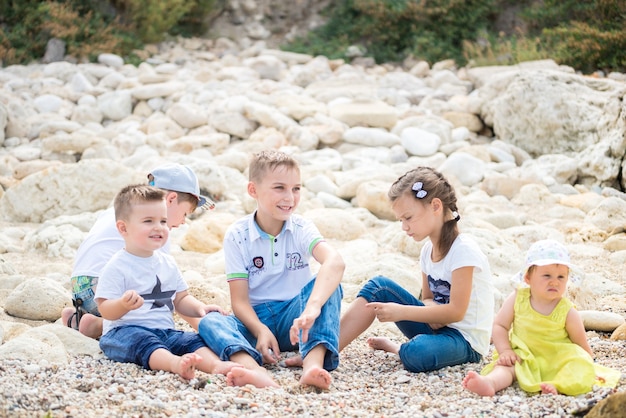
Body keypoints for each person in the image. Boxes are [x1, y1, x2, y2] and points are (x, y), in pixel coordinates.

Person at [197, 149, 345, 390]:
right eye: (279, 188)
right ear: (253, 190)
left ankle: (312, 365)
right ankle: (254, 371)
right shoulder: (238, 234)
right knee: (209, 322)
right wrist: (260, 329)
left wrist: (311, 308)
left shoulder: (301, 227)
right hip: (255, 319)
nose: (290, 197)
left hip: (296, 318)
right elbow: (240, 302)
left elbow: (334, 262)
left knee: (329, 286)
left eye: (296, 188)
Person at [339, 166, 494, 373]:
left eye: (408, 218)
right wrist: (433, 313)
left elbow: (456, 312)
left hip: (465, 341)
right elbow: (427, 298)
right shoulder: (427, 250)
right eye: (401, 220)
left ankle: (397, 349)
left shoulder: (463, 251)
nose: (404, 227)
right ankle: (326, 349)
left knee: (417, 353)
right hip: (436, 326)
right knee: (378, 286)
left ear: (435, 206)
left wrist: (401, 311)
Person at [95, 184, 236, 379]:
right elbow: (105, 309)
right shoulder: (117, 265)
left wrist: (200, 309)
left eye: (163, 221)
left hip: (165, 331)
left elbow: (180, 299)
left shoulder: (167, 262)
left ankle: (215, 366)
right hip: (124, 332)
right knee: (144, 342)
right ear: (123, 228)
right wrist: (122, 304)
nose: (158, 227)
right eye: (148, 221)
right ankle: (174, 363)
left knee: (192, 340)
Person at [61, 163, 214, 338]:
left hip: (81, 287)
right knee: (154, 305)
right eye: (185, 213)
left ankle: (79, 319)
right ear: (170, 200)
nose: (183, 222)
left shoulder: (121, 211)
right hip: (106, 291)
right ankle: (97, 325)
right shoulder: (153, 230)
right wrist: (202, 325)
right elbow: (168, 290)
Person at [462, 239, 622, 396]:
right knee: (506, 367)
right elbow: (500, 326)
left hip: (558, 359)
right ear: (528, 278)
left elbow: (581, 344)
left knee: (576, 365)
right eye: (547, 276)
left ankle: (557, 385)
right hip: (524, 355)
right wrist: (505, 351)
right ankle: (490, 383)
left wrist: (590, 366)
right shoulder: (518, 298)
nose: (554, 282)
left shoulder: (567, 311)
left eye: (561, 277)